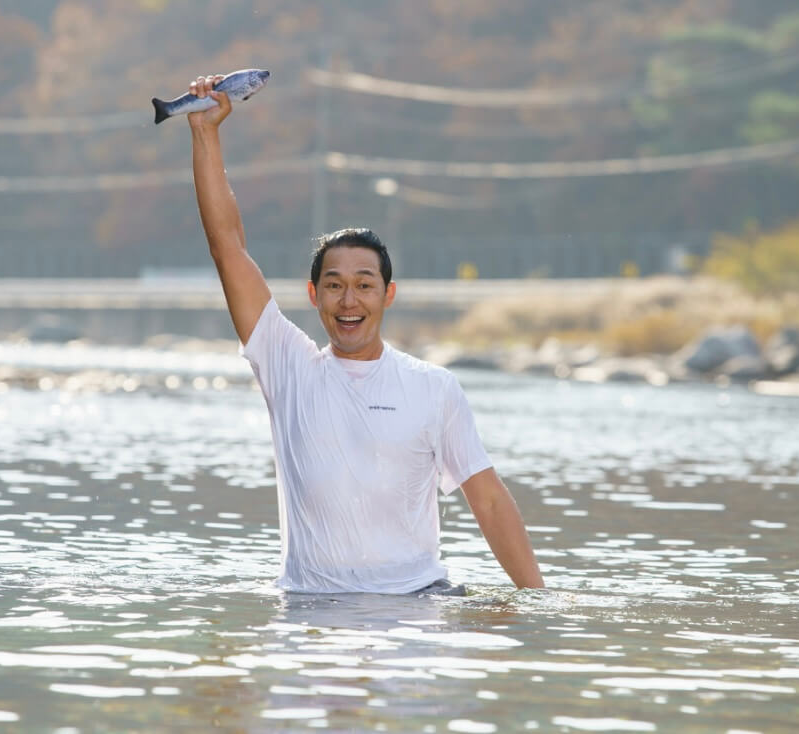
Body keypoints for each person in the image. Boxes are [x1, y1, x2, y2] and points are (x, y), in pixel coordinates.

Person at [187, 74, 544, 594]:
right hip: (313, 610)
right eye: (333, 286)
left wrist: (539, 606)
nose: (349, 301)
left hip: (415, 610)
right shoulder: (288, 366)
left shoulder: (434, 387)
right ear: (314, 296)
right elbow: (228, 247)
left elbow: (487, 499)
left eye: (364, 285)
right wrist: (204, 133)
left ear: (388, 294)